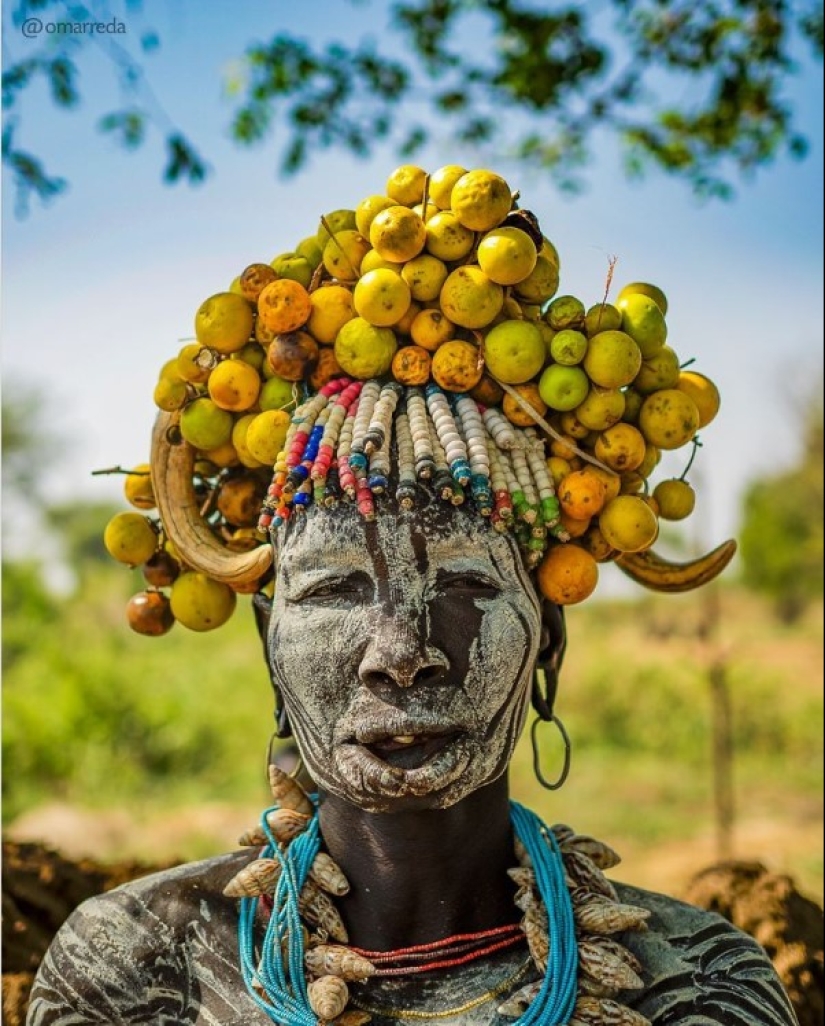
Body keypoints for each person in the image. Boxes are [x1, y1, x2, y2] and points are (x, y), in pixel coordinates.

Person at [26, 377, 797, 1026]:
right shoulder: (132, 975)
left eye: (466, 584)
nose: (400, 655)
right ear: (270, 648)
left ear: (547, 642)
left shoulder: (697, 988)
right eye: (333, 588)